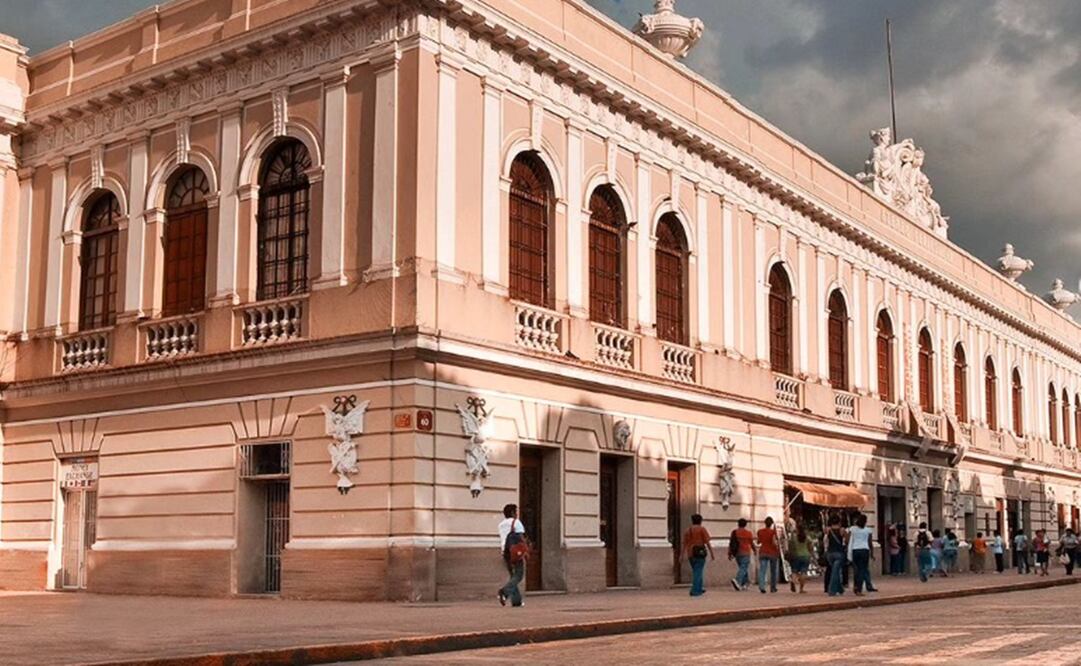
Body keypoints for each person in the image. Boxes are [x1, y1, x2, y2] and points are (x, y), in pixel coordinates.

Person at [497, 503, 527, 607]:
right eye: (516, 511)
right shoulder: (516, 522)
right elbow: (521, 537)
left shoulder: (501, 525)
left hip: (505, 552)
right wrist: (525, 551)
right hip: (515, 552)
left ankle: (516, 601)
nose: (517, 514)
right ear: (513, 513)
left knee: (513, 576)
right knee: (518, 575)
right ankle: (504, 592)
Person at [682, 513, 715, 596]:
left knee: (696, 571)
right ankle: (695, 590)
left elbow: (684, 544)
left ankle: (699, 588)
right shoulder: (702, 529)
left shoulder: (688, 530)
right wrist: (712, 553)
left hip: (690, 553)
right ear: (700, 521)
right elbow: (707, 542)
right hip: (699, 553)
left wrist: (681, 555)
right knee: (698, 572)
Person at [848, 513, 876, 595]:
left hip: (855, 550)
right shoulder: (868, 530)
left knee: (856, 570)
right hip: (864, 550)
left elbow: (849, 540)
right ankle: (859, 589)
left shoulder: (852, 529)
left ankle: (855, 586)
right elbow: (870, 543)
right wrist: (872, 554)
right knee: (862, 570)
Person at [757, 516, 781, 594]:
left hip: (763, 552)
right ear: (771, 524)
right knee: (773, 571)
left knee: (762, 570)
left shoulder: (760, 531)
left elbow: (758, 542)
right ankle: (773, 588)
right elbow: (774, 542)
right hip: (772, 553)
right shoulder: (773, 532)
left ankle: (762, 586)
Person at [729, 518, 755, 591]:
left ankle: (745, 583)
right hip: (746, 552)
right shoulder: (748, 533)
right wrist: (755, 550)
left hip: (737, 553)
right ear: (745, 525)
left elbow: (731, 543)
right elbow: (751, 543)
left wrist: (730, 553)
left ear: (738, 524)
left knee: (743, 567)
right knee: (743, 568)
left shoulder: (734, 532)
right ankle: (737, 580)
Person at [825, 515, 847, 596]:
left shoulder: (828, 530)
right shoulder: (842, 530)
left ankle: (840, 589)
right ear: (839, 522)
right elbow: (846, 540)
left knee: (835, 571)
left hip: (830, 553)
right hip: (839, 553)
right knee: (835, 572)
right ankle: (832, 590)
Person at [787, 524, 811, 594]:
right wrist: (810, 554)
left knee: (794, 571)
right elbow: (810, 546)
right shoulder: (807, 537)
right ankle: (801, 589)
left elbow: (790, 547)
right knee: (804, 572)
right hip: (806, 556)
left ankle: (793, 581)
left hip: (796, 556)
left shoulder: (794, 538)